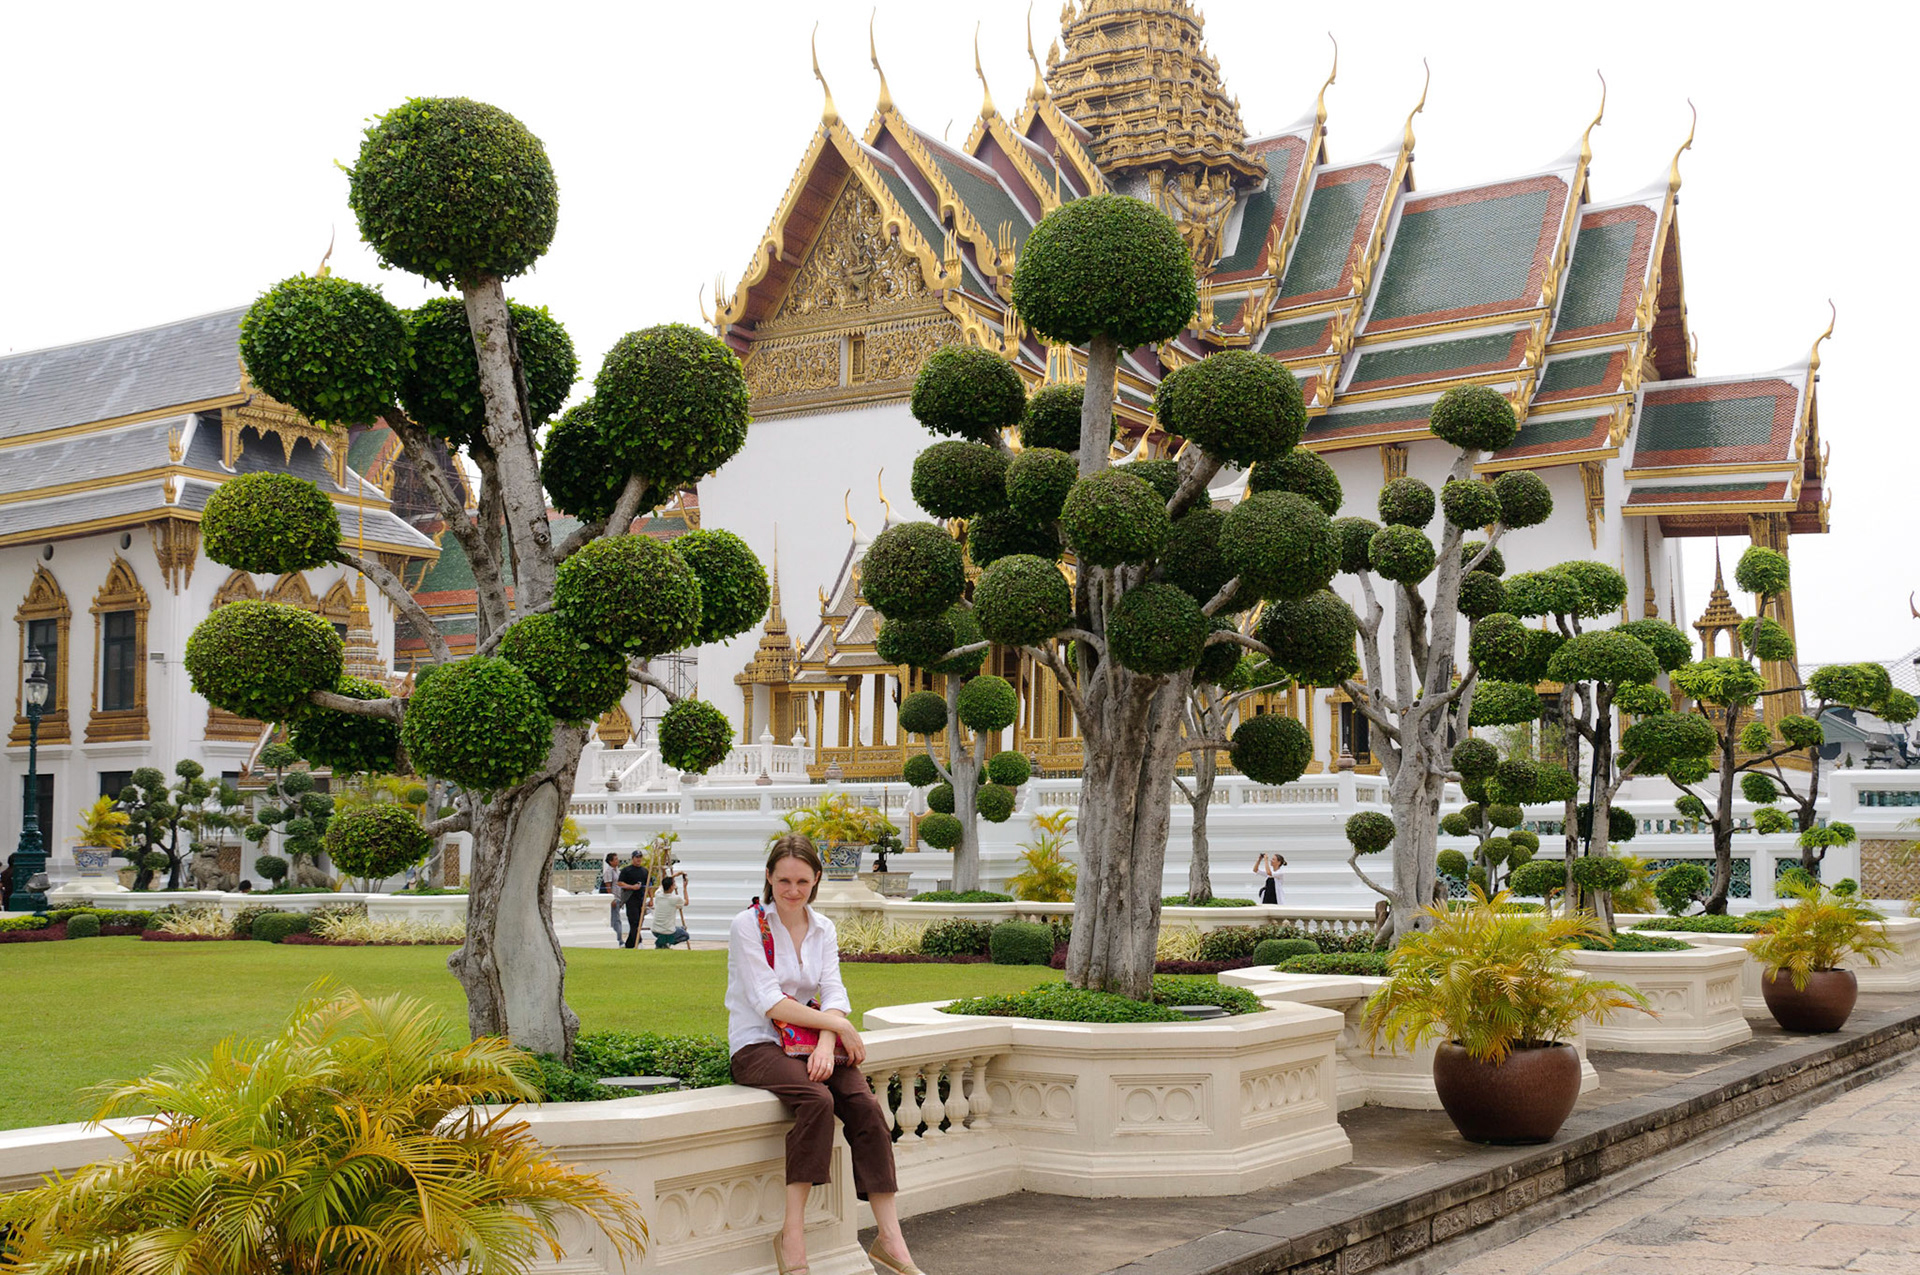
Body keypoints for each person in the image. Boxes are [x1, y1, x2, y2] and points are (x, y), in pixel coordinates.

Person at [728, 836, 923, 1275]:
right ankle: (791, 1234)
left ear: (816, 879)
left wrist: (828, 1040)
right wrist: (837, 1026)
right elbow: (769, 1002)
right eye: (783, 880)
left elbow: (832, 990)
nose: (792, 890)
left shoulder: (823, 928)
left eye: (801, 880)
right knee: (818, 1101)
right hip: (757, 1044)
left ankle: (890, 1240)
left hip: (812, 1042)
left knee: (865, 1106)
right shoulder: (748, 925)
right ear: (769, 877)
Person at [651, 869, 692, 949]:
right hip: (667, 931)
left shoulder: (658, 894)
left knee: (681, 929)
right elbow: (686, 902)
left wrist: (676, 875)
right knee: (685, 935)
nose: (675, 886)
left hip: (655, 930)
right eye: (673, 885)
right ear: (670, 887)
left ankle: (663, 943)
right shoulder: (675, 898)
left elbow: (664, 882)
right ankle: (662, 943)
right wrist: (685, 888)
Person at [617, 851, 650, 950]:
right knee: (634, 921)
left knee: (639, 921)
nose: (638, 859)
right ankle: (639, 941)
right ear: (633, 858)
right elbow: (620, 883)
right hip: (630, 898)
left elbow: (649, 885)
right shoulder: (626, 870)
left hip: (641, 898)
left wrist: (651, 898)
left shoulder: (645, 871)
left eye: (640, 857)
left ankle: (630, 944)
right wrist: (632, 887)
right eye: (637, 857)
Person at [602, 852, 626, 945]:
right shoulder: (609, 871)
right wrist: (611, 898)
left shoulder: (617, 870)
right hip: (614, 898)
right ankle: (618, 939)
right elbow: (608, 885)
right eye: (615, 859)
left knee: (616, 918)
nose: (617, 861)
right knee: (615, 919)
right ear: (610, 861)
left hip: (619, 897)